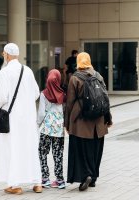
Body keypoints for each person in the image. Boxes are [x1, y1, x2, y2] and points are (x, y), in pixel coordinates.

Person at [0, 43, 42, 194]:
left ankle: (14, 185)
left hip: (12, 117)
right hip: (28, 117)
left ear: (7, 55)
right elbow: (36, 93)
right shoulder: (27, 71)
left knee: (12, 148)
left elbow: (1, 97)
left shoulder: (4, 72)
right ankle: (37, 183)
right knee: (30, 147)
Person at [64, 52, 113, 191]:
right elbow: (105, 98)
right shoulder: (98, 76)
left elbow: (69, 103)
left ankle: (85, 175)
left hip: (80, 121)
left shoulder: (75, 78)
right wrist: (108, 118)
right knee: (96, 149)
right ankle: (93, 177)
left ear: (79, 62)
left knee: (81, 149)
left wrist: (67, 123)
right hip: (98, 121)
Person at [37, 69, 66, 189]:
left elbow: (41, 113)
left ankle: (45, 178)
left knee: (42, 152)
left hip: (46, 129)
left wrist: (38, 124)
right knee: (58, 154)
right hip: (59, 129)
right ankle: (60, 180)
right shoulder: (63, 94)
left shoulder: (44, 94)